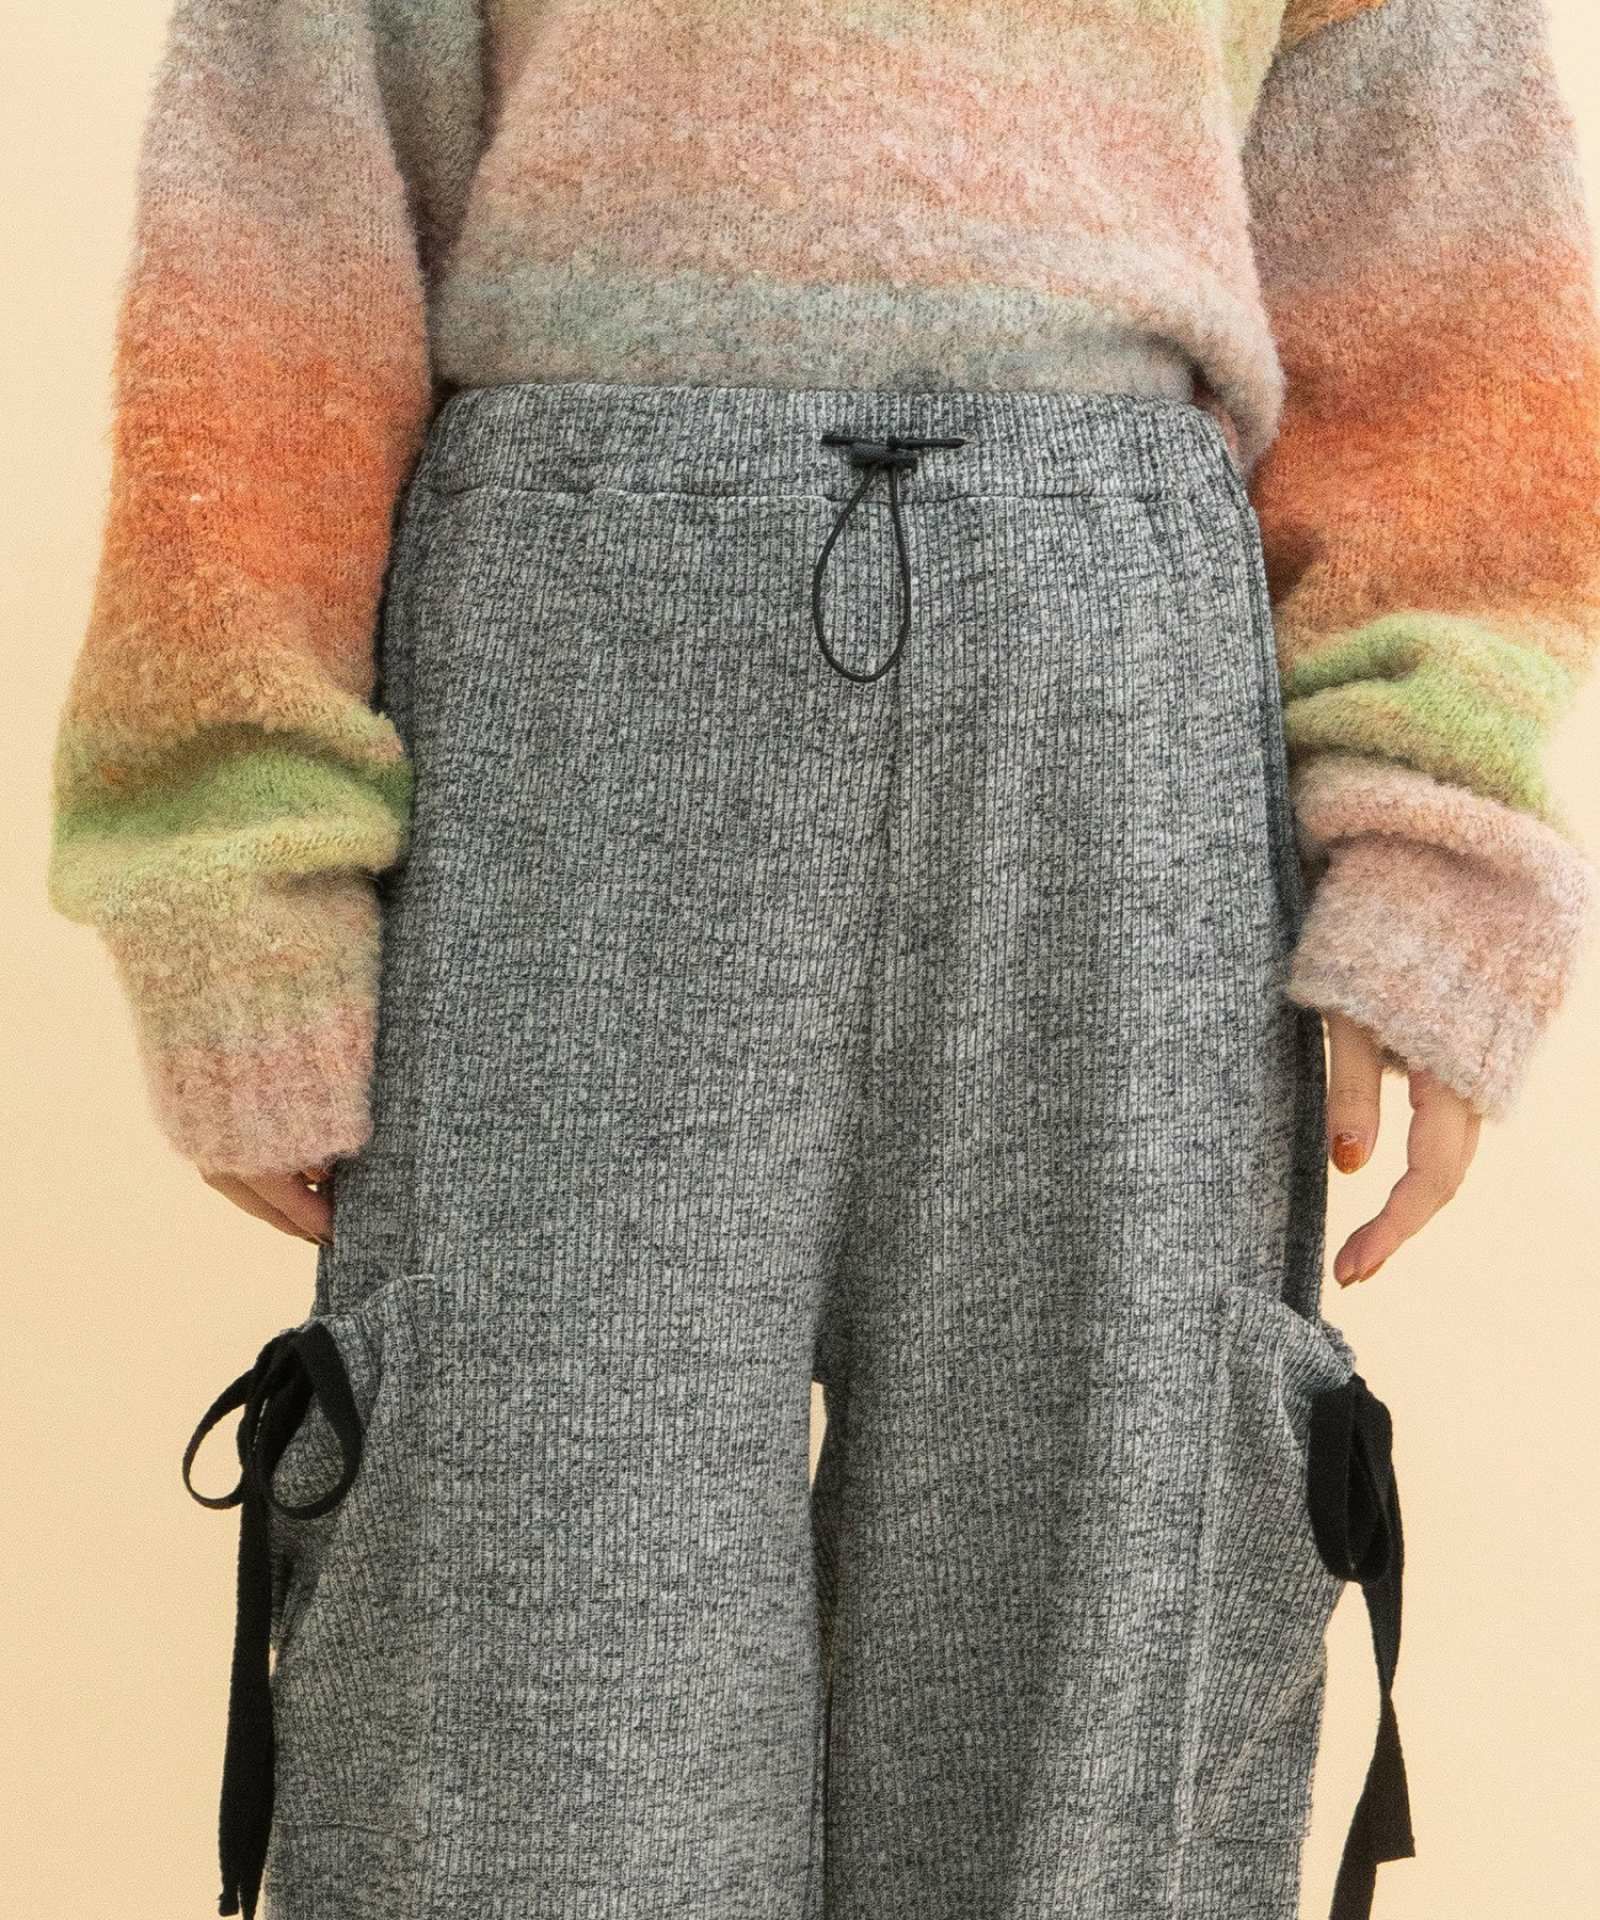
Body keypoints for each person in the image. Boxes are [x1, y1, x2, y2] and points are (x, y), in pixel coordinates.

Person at [45, 3, 1600, 1918]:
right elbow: (285, 183)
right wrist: (234, 868)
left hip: (1112, 750)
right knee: (514, 1727)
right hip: (577, 726)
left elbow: (1432, 229)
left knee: (1093, 1732)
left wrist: (1437, 842)